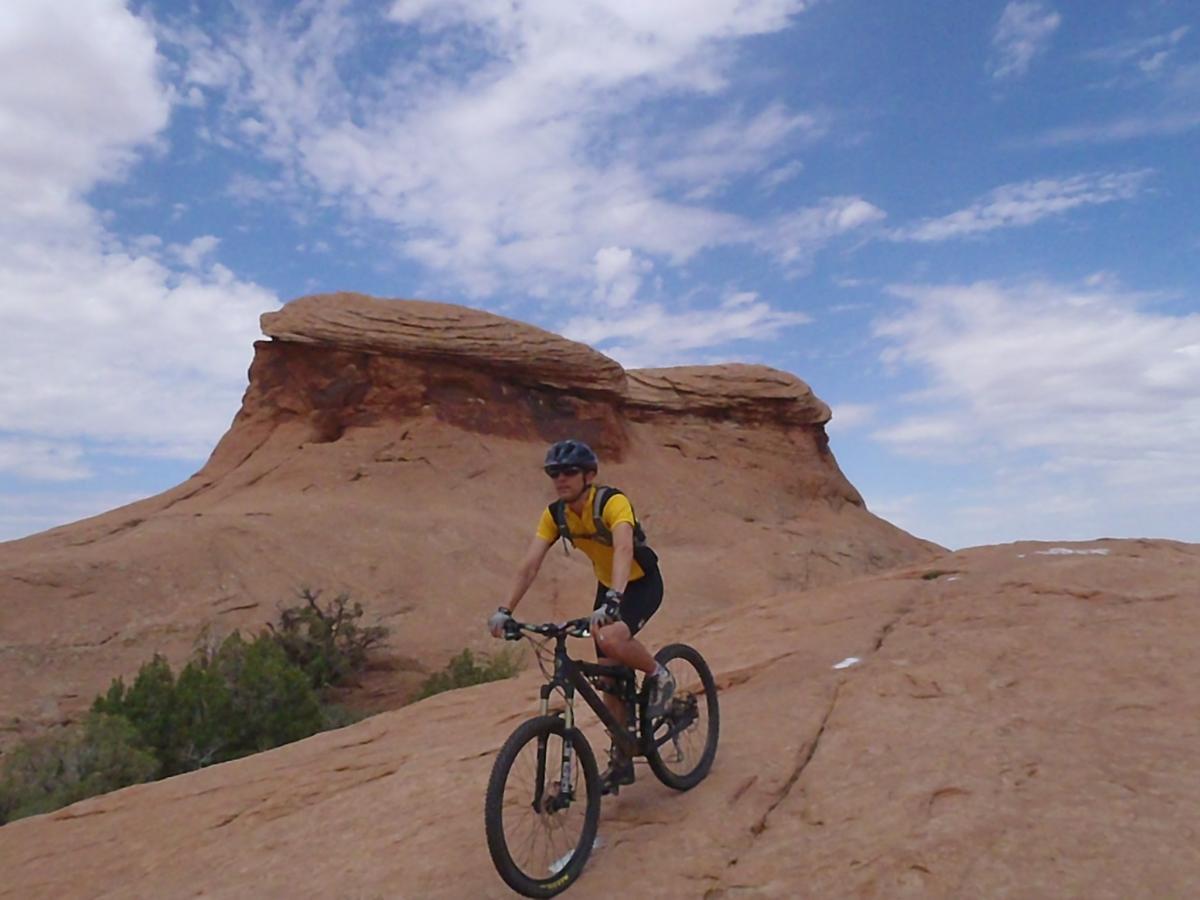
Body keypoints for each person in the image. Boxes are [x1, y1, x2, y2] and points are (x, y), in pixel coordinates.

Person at [488, 439, 673, 793]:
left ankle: (659, 673)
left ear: (589, 475)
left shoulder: (611, 502)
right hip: (608, 588)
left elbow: (623, 547)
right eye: (554, 473)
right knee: (610, 678)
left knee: (609, 638)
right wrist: (504, 610)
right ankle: (621, 760)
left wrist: (615, 599)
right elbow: (530, 565)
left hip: (639, 584)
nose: (561, 479)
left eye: (569, 471)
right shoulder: (555, 514)